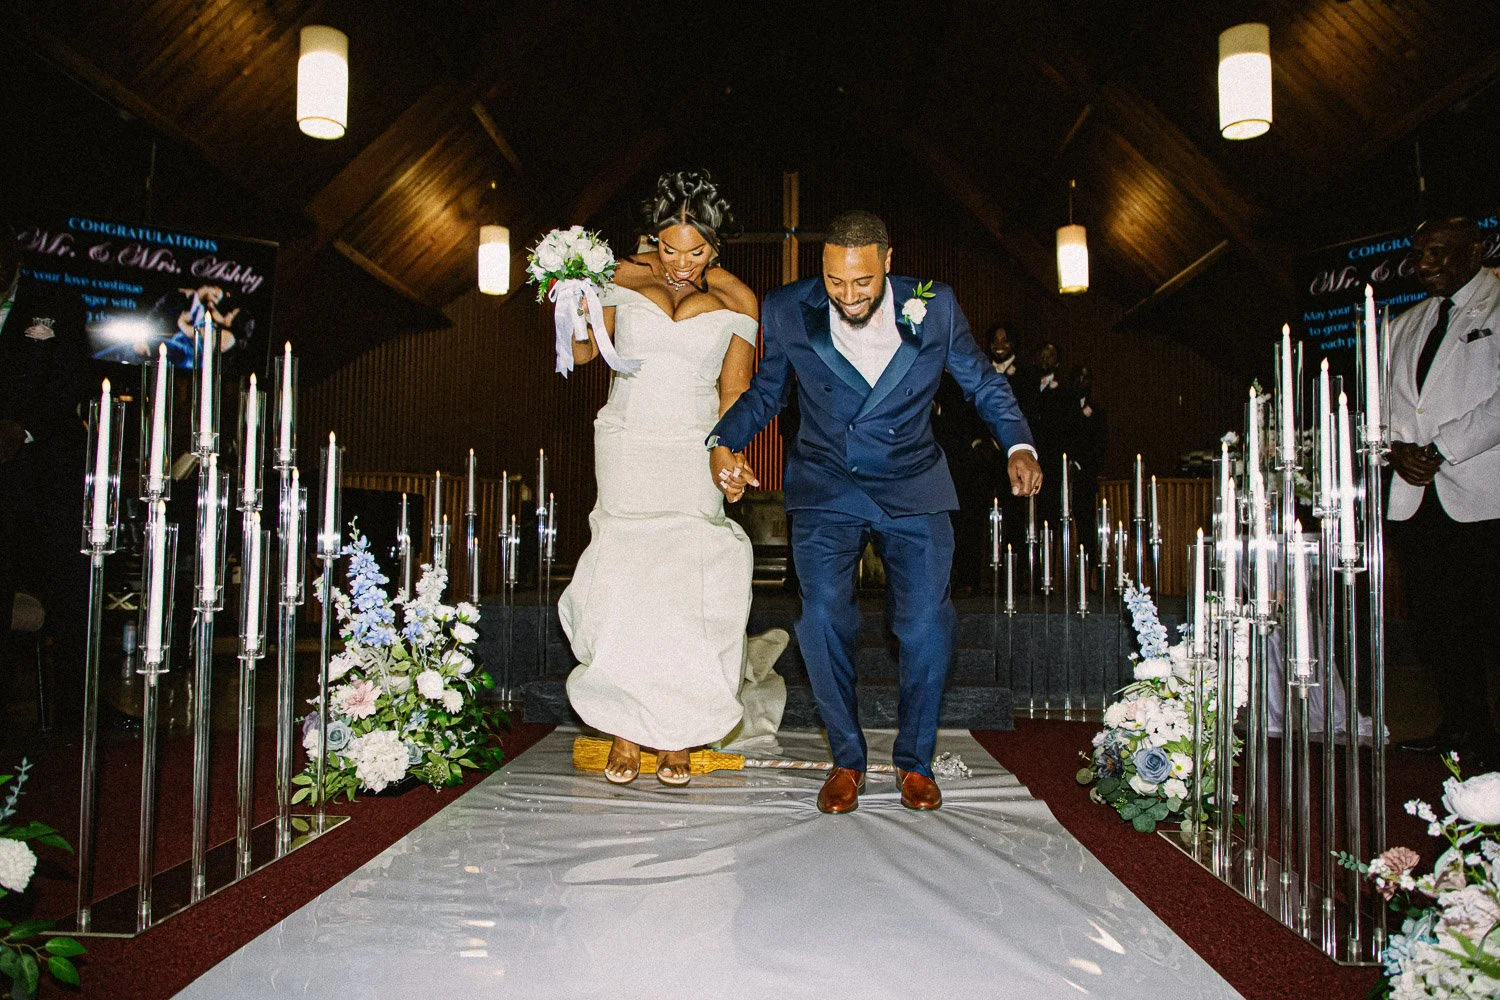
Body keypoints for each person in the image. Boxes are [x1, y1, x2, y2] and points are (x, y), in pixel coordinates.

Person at [709, 210, 1041, 813]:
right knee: (822, 621)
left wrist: (1018, 443)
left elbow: (981, 383)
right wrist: (723, 440)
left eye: (861, 282)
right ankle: (847, 760)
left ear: (888, 262)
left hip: (912, 487)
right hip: (826, 486)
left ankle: (914, 762)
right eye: (836, 281)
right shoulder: (788, 309)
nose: (848, 295)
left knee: (923, 625)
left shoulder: (932, 305)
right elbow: (767, 389)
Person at [559, 169, 761, 787]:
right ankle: (624, 724)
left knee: (688, 583)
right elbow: (589, 353)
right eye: (669, 249)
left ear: (715, 246)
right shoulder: (617, 277)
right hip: (629, 440)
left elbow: (734, 391)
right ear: (653, 239)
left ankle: (679, 728)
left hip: (693, 448)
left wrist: (728, 456)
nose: (679, 263)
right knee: (626, 575)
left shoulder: (739, 303)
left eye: (694, 251)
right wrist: (572, 296)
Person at [1385, 216, 1500, 767]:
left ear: (1475, 249)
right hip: (1418, 497)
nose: (1425, 264)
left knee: (1488, 622)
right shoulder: (1403, 323)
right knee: (1440, 626)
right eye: (1420, 253)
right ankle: (1462, 729)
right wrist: (1397, 449)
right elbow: (1385, 403)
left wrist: (1441, 448)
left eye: (1439, 252)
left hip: (1483, 494)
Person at [0, 220, 92, 726]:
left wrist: (24, 429)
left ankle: (69, 721)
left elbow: (73, 377)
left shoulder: (56, 302)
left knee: (67, 599)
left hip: (46, 484)